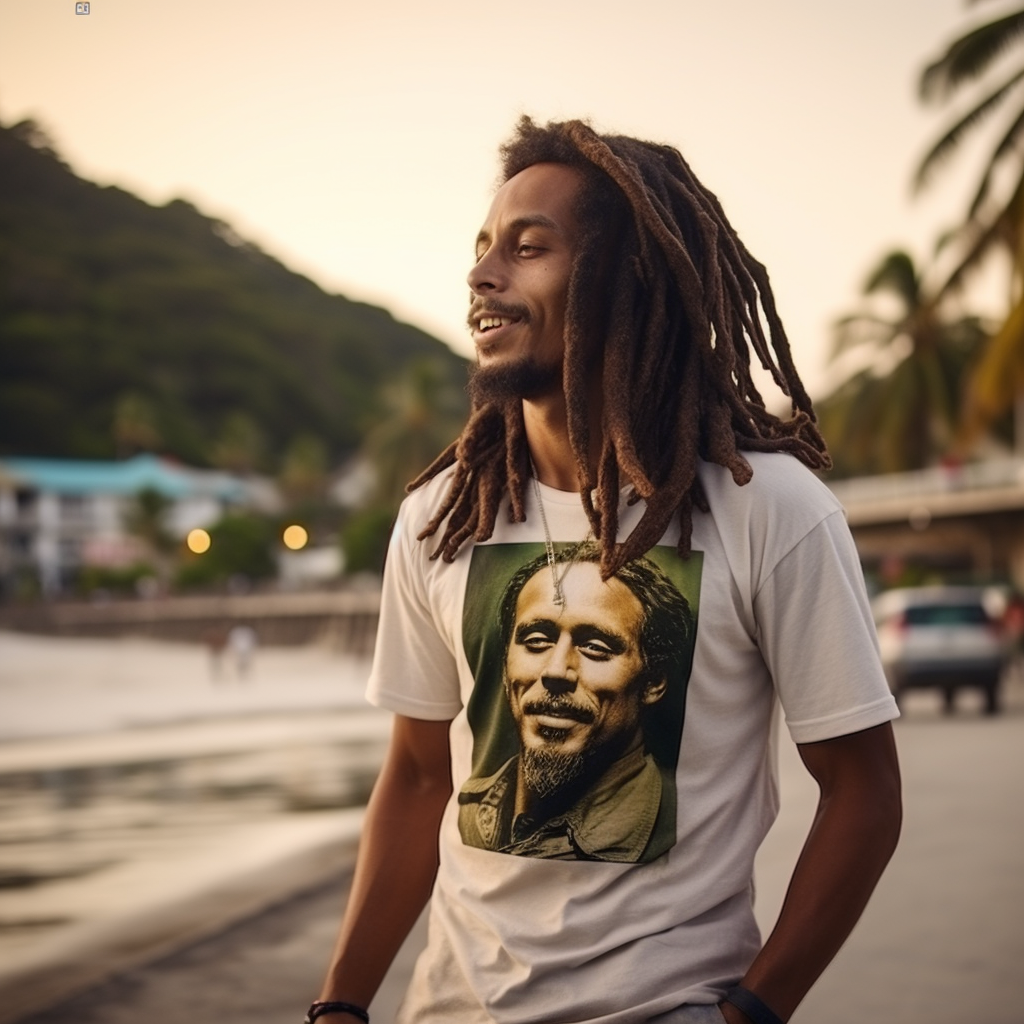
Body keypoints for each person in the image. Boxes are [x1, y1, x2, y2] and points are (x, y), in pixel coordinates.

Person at [309, 117, 902, 1024]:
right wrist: (341, 1003)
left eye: (529, 247)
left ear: (621, 280)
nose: (482, 276)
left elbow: (862, 792)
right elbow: (423, 778)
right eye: (482, 248)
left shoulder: (768, 511)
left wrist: (751, 1011)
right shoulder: (436, 521)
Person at [457, 542, 695, 862]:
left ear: (654, 682)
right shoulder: (471, 809)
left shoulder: (670, 823)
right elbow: (416, 779)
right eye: (536, 641)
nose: (556, 671)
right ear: (504, 666)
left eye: (595, 647)